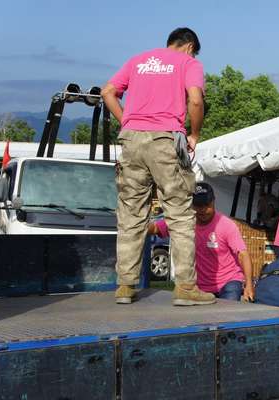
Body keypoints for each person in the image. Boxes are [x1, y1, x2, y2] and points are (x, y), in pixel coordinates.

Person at [102, 27, 214, 306]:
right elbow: (196, 99)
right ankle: (186, 286)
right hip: (165, 139)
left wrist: (127, 120)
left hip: (131, 141)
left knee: (131, 213)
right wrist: (195, 134)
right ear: (189, 46)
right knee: (179, 213)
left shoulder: (138, 60)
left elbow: (108, 92)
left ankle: (125, 286)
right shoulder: (190, 63)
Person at [150, 183, 255, 302]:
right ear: (191, 204)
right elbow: (154, 228)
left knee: (226, 315)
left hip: (228, 282)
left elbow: (243, 254)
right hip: (200, 287)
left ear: (214, 201)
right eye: (198, 205)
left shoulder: (227, 225)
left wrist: (249, 285)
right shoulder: (183, 222)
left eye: (207, 205)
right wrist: (133, 227)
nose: (203, 209)